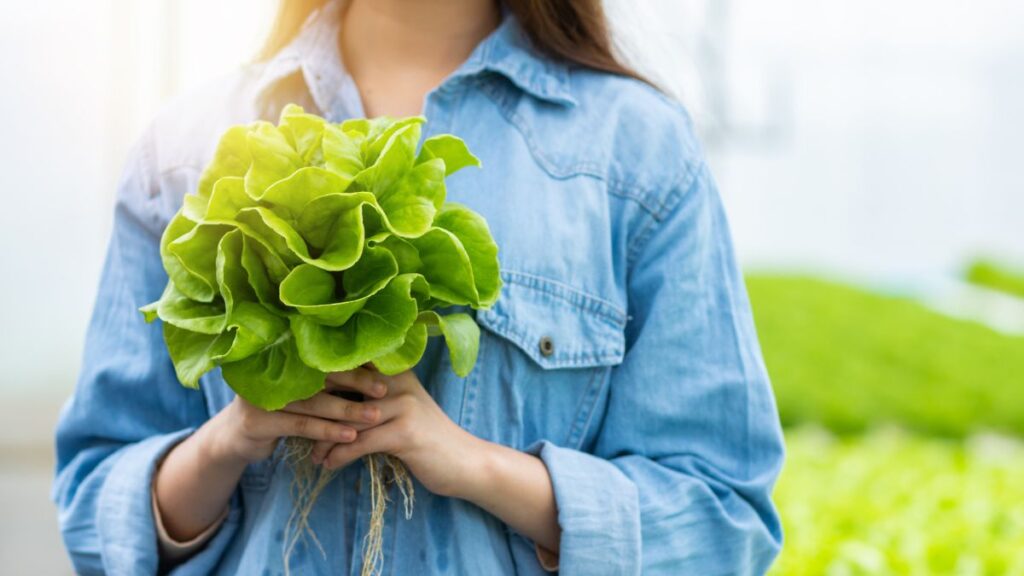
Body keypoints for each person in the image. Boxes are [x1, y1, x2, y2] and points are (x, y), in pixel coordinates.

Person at [52, 0, 785, 574]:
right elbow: (94, 502)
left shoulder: (635, 156)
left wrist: (481, 468)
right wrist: (231, 438)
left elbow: (723, 521)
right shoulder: (182, 153)